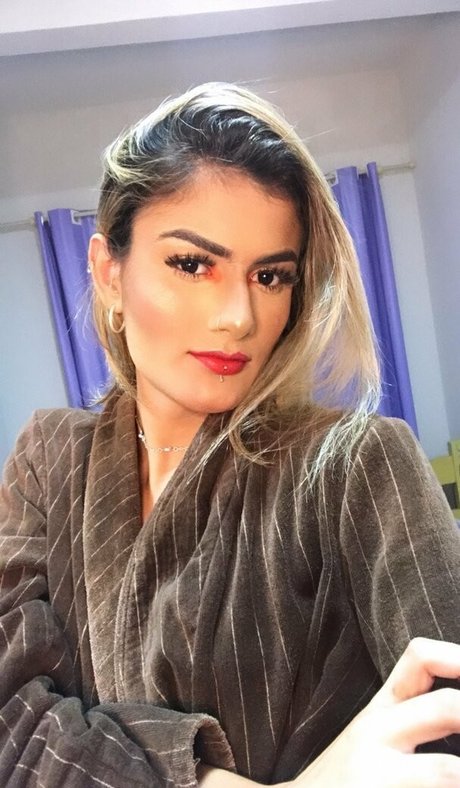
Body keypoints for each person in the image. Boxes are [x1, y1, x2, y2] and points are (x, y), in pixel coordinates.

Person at [1, 82, 460, 788]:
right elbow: (12, 722)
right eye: (192, 264)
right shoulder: (48, 459)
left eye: (270, 276)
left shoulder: (356, 465)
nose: (239, 317)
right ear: (109, 274)